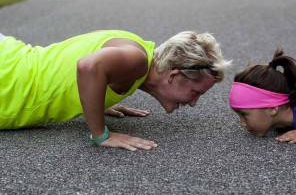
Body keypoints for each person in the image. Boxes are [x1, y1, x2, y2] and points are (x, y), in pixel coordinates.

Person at [0, 30, 230, 151]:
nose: (193, 103)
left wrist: (96, 100)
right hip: (8, 80)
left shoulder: (137, 53)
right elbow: (88, 67)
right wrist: (101, 134)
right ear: (174, 75)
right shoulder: (137, 60)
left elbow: (79, 66)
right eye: (196, 92)